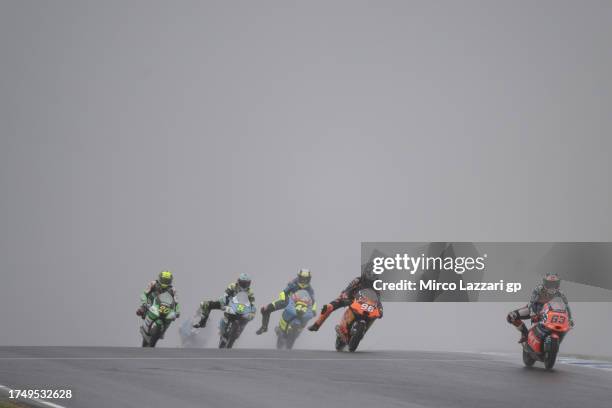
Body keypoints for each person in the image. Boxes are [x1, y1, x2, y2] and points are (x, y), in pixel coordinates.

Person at [308, 267, 382, 332]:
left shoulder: (376, 286)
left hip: (365, 304)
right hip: (350, 299)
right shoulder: (357, 280)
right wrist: (345, 296)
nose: (370, 280)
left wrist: (380, 308)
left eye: (373, 278)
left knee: (375, 315)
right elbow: (347, 290)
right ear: (365, 274)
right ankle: (316, 325)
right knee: (328, 307)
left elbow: (378, 299)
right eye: (370, 276)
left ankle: (363, 332)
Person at [506, 272, 574, 343]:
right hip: (534, 309)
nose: (552, 287)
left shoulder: (560, 293)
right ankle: (525, 334)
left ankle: (554, 340)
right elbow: (531, 303)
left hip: (550, 313)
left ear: (558, 284)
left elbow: (566, 306)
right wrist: (533, 314)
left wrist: (570, 318)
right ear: (545, 283)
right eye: (550, 284)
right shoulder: (538, 289)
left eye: (554, 284)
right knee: (511, 316)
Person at [256, 268, 316, 335]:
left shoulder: (310, 289)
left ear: (309, 279)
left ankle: (299, 330)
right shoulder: (293, 283)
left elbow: (313, 301)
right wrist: (283, 299)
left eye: (306, 279)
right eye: (302, 278)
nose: (304, 281)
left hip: (302, 306)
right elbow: (283, 292)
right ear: (299, 277)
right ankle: (264, 327)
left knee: (307, 317)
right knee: (265, 309)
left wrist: (313, 310)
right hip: (289, 302)